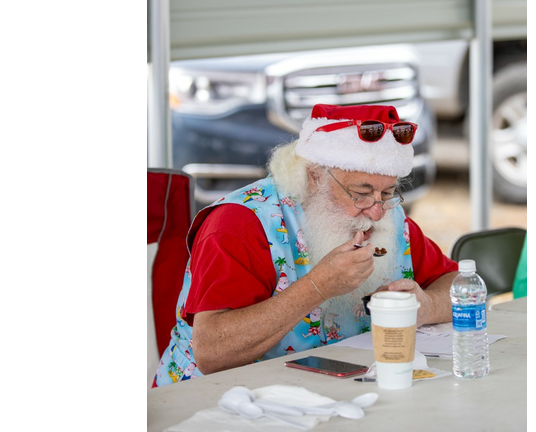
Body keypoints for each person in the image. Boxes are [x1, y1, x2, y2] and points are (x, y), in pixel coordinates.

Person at [153, 104, 459, 387]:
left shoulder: (387, 217)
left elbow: (458, 285)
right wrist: (317, 287)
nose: (376, 211)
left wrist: (426, 306)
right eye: (360, 193)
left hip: (334, 392)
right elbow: (212, 352)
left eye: (388, 192)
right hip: (216, 400)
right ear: (315, 178)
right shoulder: (240, 224)